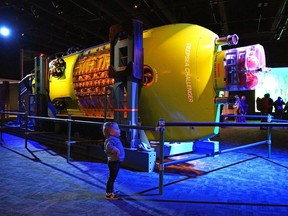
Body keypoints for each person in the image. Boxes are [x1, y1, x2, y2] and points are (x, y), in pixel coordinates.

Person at [103, 122, 125, 200]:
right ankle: (108, 194)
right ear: (112, 132)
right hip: (114, 162)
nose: (119, 130)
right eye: (117, 129)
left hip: (116, 161)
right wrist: (115, 150)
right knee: (112, 178)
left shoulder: (114, 138)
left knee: (113, 177)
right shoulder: (111, 139)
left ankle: (111, 191)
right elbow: (108, 147)